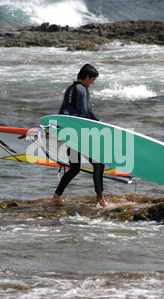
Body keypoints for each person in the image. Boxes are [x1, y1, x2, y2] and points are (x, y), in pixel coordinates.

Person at [49, 64, 108, 207]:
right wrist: (100, 123)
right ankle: (100, 200)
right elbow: (86, 111)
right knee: (99, 163)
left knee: (75, 167)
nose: (93, 83)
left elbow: (62, 111)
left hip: (69, 133)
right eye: (93, 79)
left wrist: (59, 129)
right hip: (80, 134)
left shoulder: (69, 89)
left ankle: (55, 198)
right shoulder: (82, 89)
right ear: (87, 77)